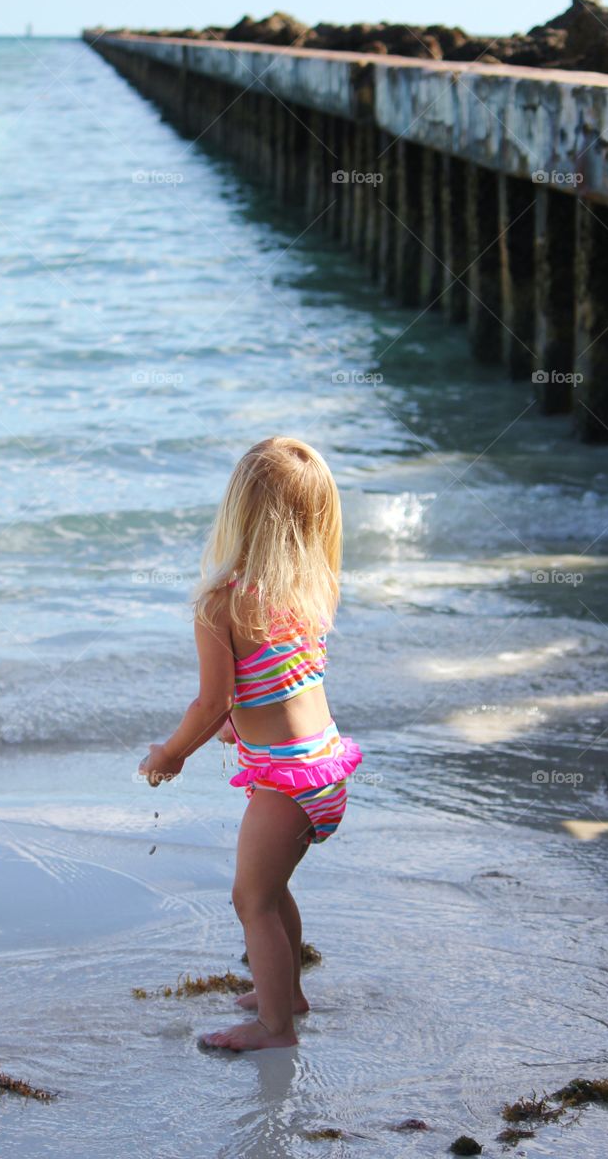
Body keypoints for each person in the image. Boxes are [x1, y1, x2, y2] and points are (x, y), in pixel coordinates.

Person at [139, 436, 362, 1051]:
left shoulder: (221, 605)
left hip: (288, 785)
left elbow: (210, 704)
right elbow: (281, 686)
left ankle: (274, 1028)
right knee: (273, 886)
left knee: (251, 899)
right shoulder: (309, 592)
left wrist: (169, 755)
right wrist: (240, 728)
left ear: (238, 508)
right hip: (327, 773)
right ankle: (285, 992)